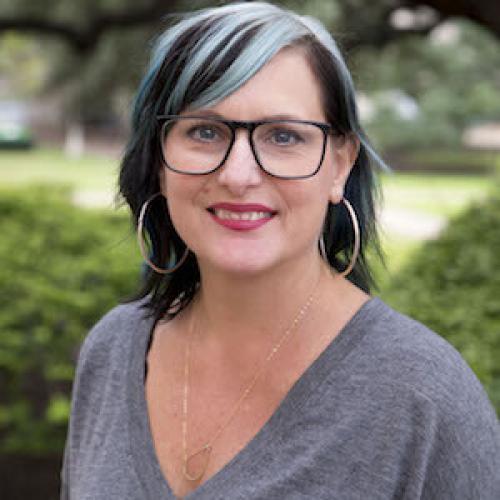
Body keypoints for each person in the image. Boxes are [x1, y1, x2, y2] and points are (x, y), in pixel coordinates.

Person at [60, 2, 500, 499]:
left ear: (339, 165)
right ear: (157, 158)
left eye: (283, 136)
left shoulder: (422, 395)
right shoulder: (114, 349)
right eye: (204, 131)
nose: (238, 175)